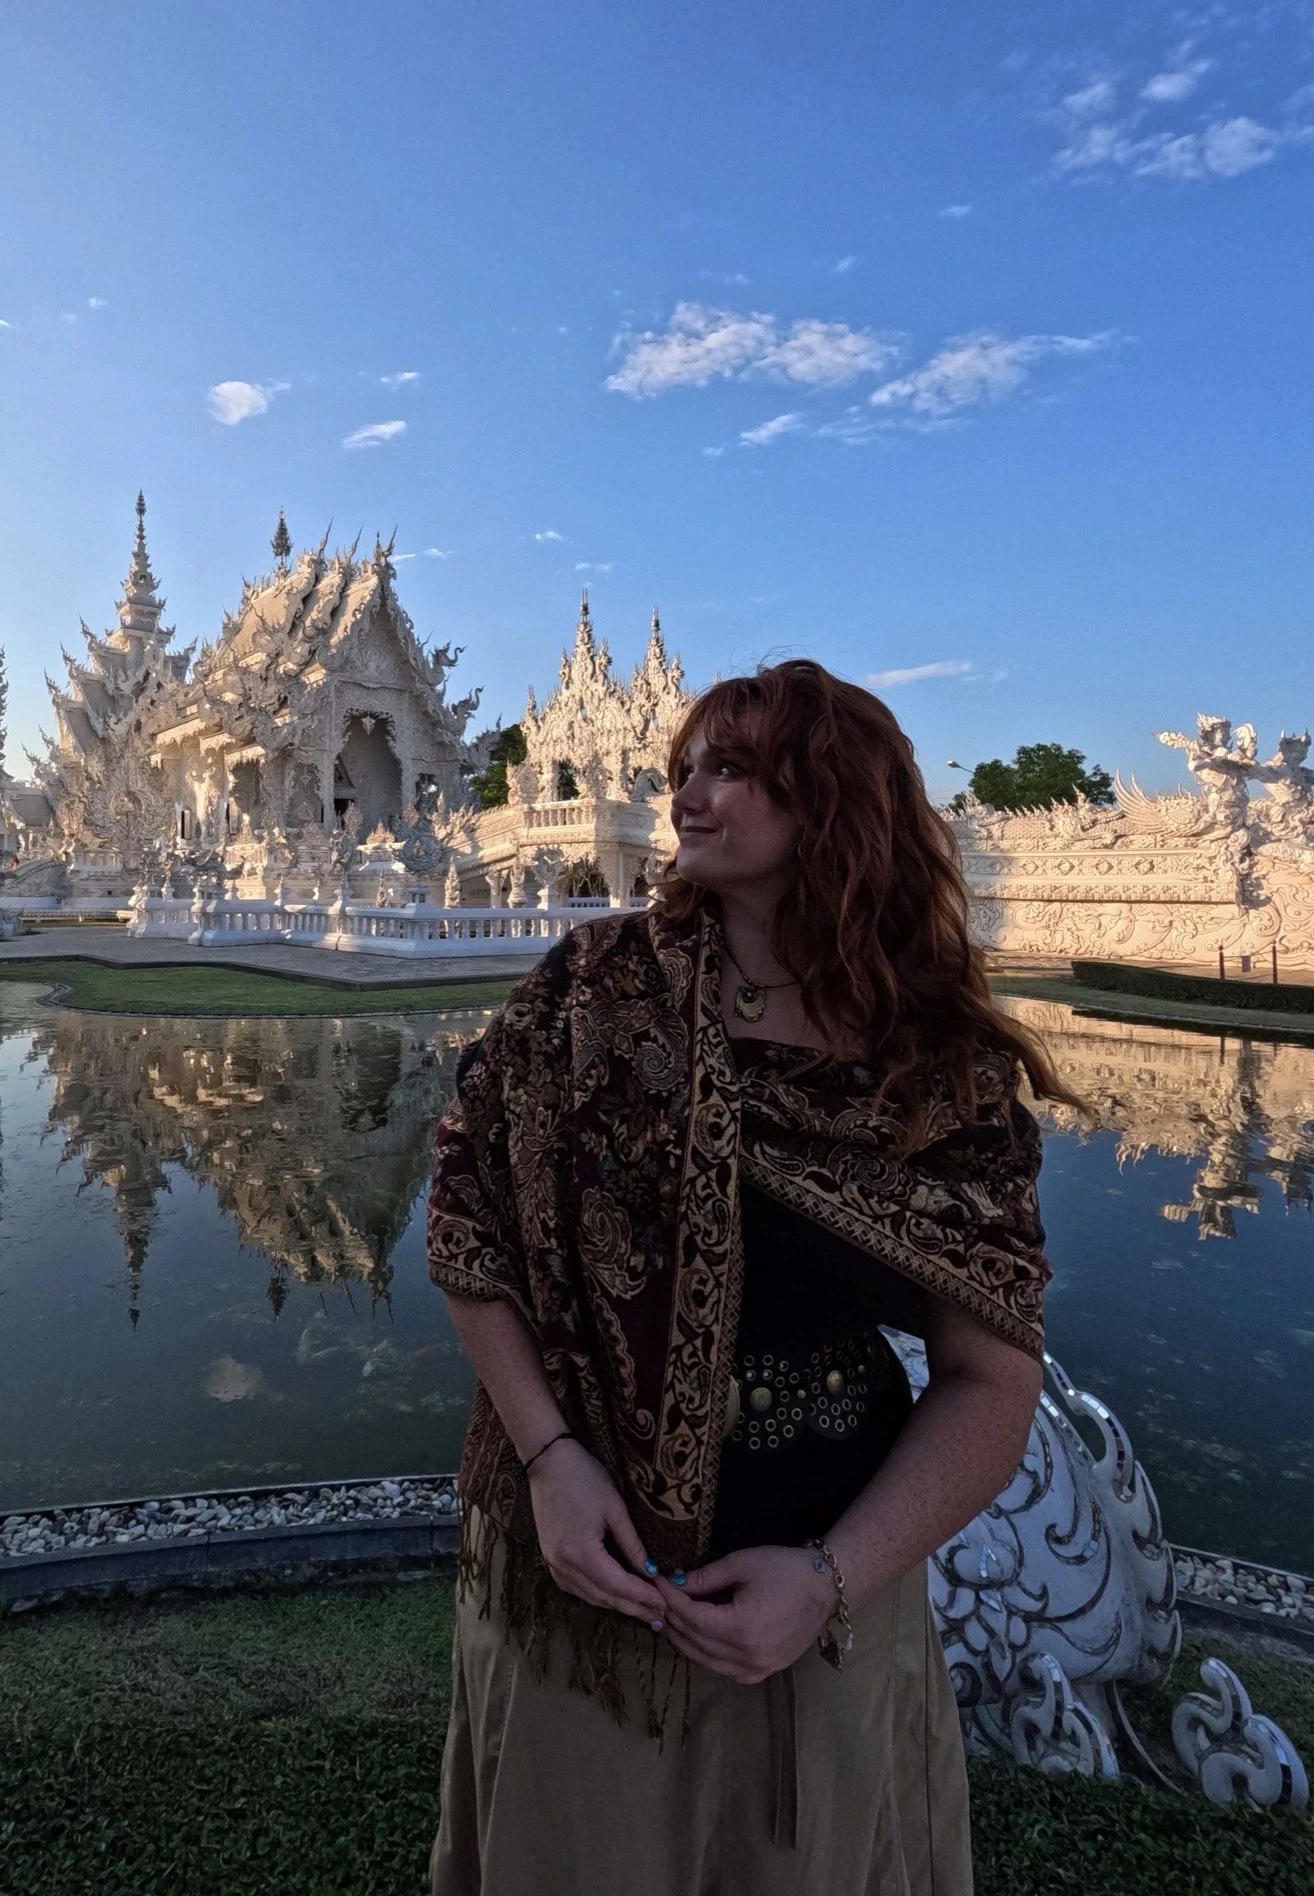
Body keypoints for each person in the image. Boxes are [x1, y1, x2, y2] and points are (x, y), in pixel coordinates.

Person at [428, 660, 1078, 1896]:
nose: (684, 796)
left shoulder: (932, 1067)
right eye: (683, 769)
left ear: (827, 801)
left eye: (728, 769)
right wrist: (551, 1461)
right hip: (586, 1584)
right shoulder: (589, 992)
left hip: (824, 1589)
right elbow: (469, 1226)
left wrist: (831, 1578)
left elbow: (992, 1376)